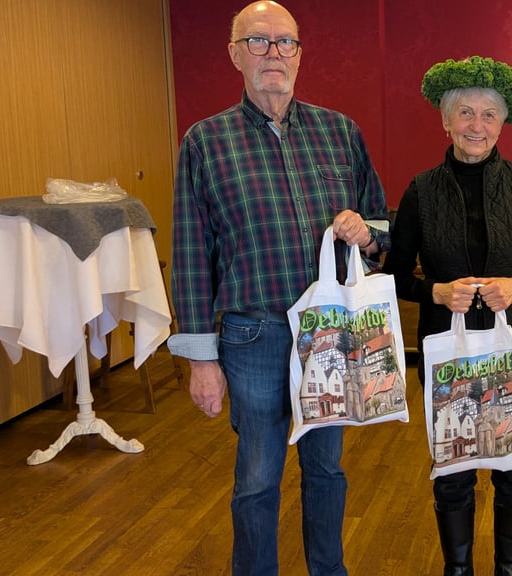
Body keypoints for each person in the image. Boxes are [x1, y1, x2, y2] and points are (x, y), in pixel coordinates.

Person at [168, 2, 389, 575]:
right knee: (258, 478)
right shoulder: (204, 142)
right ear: (235, 53)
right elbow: (192, 255)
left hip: (333, 335)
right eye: (260, 41)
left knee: (327, 469)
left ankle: (328, 570)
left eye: (285, 42)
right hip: (253, 334)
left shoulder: (340, 132)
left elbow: (384, 225)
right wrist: (200, 361)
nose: (274, 54)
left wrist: (367, 233)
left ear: (298, 53)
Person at [383, 56, 512, 576]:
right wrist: (436, 292)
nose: (477, 125)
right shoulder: (421, 190)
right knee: (453, 468)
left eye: (489, 115)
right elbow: (395, 274)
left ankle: (510, 568)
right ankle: (458, 570)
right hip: (447, 345)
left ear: (502, 123)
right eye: (465, 113)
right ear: (445, 121)